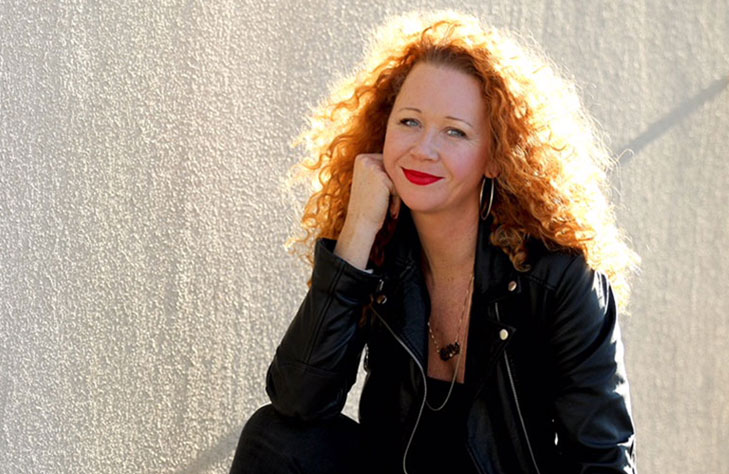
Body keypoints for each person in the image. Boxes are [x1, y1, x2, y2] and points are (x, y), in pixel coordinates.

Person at [231, 10, 638, 474]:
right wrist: (358, 229)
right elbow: (297, 400)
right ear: (383, 131)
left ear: (496, 157)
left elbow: (603, 460)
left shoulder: (558, 280)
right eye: (409, 122)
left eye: (454, 131)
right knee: (275, 436)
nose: (423, 149)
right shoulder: (381, 251)